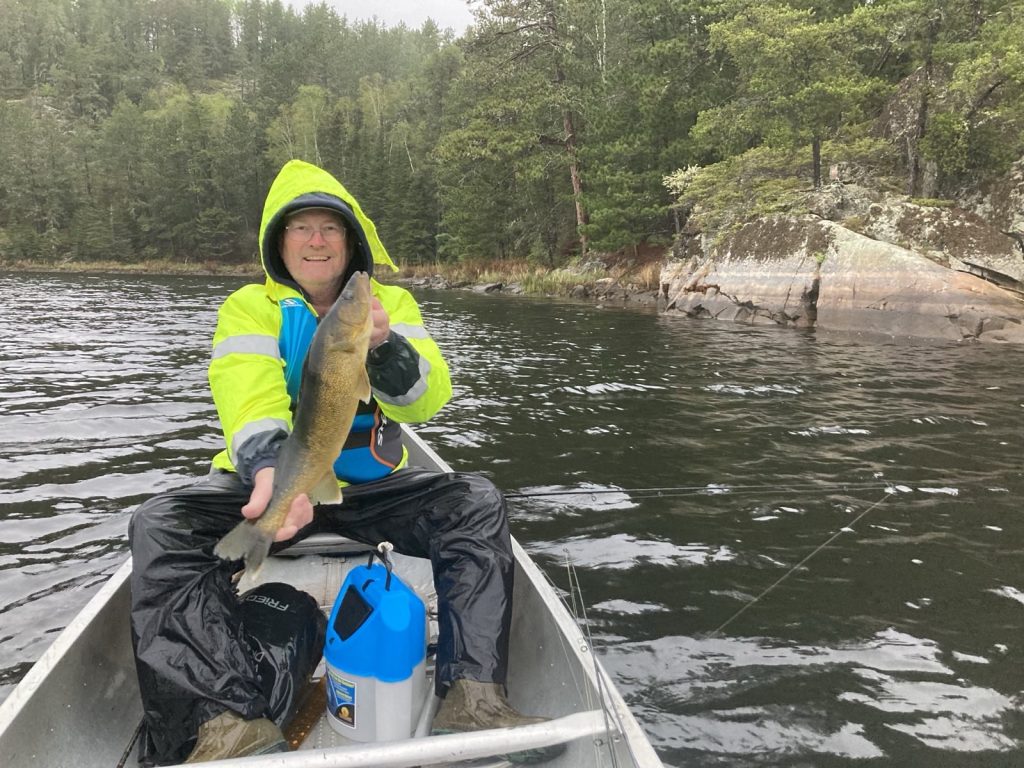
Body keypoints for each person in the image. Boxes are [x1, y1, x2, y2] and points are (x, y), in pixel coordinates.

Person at [129, 159, 560, 764]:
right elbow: (247, 396)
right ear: (279, 242)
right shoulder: (250, 307)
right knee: (159, 523)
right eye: (299, 227)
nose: (315, 240)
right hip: (275, 487)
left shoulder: (389, 304)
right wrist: (269, 472)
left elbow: (426, 400)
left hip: (371, 493)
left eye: (329, 227)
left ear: (351, 239)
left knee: (476, 501)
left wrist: (384, 345)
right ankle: (227, 725)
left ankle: (472, 700)